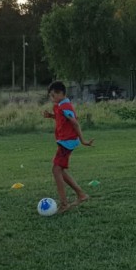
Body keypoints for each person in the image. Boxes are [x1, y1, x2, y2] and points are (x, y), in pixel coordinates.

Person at [42, 81, 94, 212]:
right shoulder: (60, 105)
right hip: (64, 141)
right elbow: (62, 118)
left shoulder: (65, 105)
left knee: (56, 170)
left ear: (60, 93)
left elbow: (75, 123)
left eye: (53, 95)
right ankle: (81, 195)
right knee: (60, 170)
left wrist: (83, 140)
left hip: (67, 142)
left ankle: (64, 203)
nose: (51, 98)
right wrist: (51, 116)